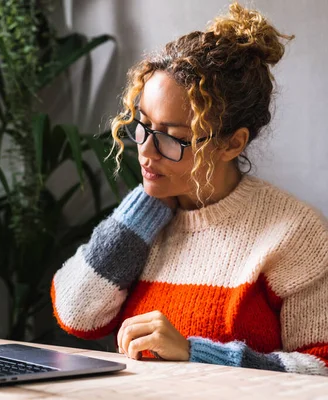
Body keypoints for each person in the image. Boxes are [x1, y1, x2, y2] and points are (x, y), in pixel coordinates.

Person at [51, 2, 328, 375]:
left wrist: (196, 354)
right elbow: (75, 314)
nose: (145, 152)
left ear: (232, 143)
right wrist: (147, 205)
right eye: (143, 125)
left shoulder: (295, 233)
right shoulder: (149, 217)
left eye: (171, 138)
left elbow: (321, 368)